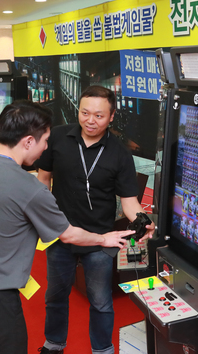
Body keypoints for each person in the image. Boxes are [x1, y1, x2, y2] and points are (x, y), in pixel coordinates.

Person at [0, 100, 134, 354]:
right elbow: (69, 234)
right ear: (28, 141)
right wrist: (104, 239)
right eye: (45, 140)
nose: (47, 147)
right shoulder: (29, 188)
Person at [37, 85, 155, 354]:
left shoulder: (120, 154)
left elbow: (128, 201)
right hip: (61, 234)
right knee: (55, 297)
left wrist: (143, 219)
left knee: (101, 301)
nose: (90, 120)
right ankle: (53, 344)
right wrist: (43, 220)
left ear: (112, 116)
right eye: (85, 113)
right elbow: (43, 180)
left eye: (99, 116)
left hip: (102, 240)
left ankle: (102, 350)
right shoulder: (58, 137)